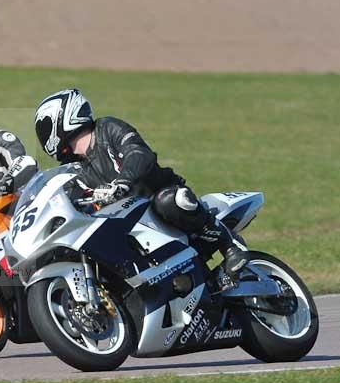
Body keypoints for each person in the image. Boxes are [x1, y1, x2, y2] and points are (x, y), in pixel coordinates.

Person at [33, 88, 248, 282]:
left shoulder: (107, 128)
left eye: (44, 126)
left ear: (63, 118)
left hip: (157, 196)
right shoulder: (74, 169)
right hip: (127, 221)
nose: (42, 135)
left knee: (169, 201)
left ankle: (229, 244)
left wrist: (123, 182)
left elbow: (139, 153)